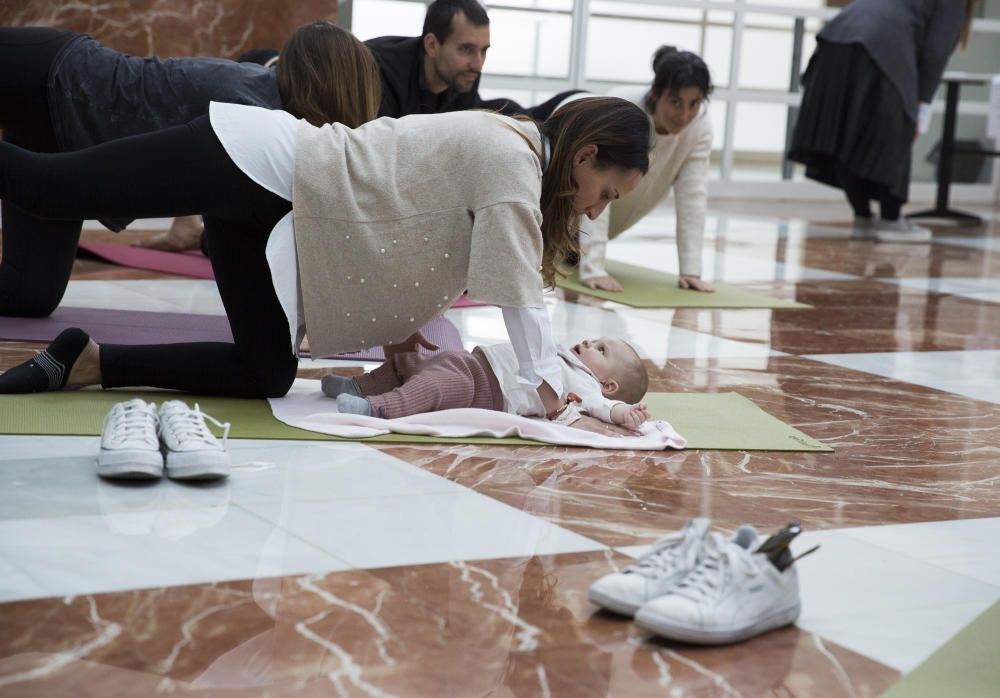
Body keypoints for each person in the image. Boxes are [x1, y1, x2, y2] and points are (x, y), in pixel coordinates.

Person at [0, 97, 650, 434]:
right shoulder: (514, 159)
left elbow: (411, 216)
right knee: (45, 187)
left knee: (267, 371)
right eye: (608, 194)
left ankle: (89, 362)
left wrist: (400, 322)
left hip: (272, 207)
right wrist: (549, 385)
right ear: (586, 155)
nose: (596, 212)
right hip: (250, 158)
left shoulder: (507, 150)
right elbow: (516, 293)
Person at [0, 21, 378, 318]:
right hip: (46, 71)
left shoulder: (281, 124)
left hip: (57, 120)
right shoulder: (257, 114)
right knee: (41, 188)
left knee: (30, 295)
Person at [788, 0, 976, 243]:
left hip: (838, 36)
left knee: (846, 133)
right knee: (893, 132)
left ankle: (863, 217)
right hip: (880, 44)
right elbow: (936, 52)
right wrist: (920, 106)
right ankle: (890, 219)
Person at [556, 47, 715, 294]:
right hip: (561, 220)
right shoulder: (623, 108)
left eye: (694, 104)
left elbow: (693, 198)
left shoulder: (699, 129)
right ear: (656, 93)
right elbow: (598, 184)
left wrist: (691, 270)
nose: (684, 115)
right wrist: (594, 268)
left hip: (589, 235)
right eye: (675, 102)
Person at [320, 336, 650, 432]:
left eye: (601, 350)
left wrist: (625, 414)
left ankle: (375, 408)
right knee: (409, 363)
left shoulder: (586, 384)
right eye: (596, 341)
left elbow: (604, 408)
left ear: (608, 384)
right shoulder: (565, 354)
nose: (590, 343)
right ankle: (358, 386)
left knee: (431, 388)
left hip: (484, 389)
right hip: (472, 361)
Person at [365, 0, 497, 118]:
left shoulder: (465, 76)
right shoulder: (377, 68)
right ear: (432, 45)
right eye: (467, 49)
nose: (478, 65)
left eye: (484, 50)